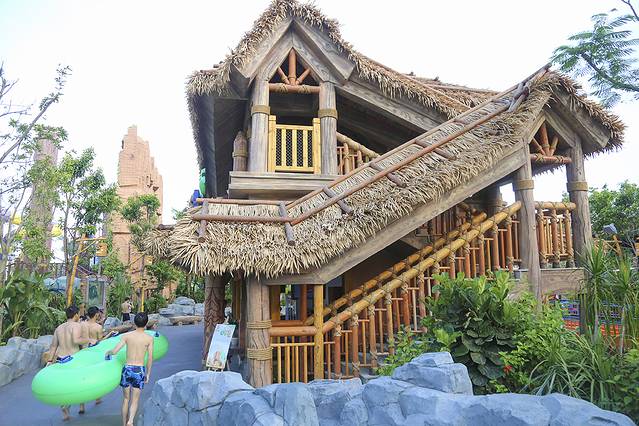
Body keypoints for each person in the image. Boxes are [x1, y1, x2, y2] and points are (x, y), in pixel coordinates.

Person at [48, 305, 95, 421]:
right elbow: (76, 340)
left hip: (61, 359)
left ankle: (65, 409)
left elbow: (53, 346)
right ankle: (81, 406)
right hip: (73, 359)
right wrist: (89, 339)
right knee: (80, 383)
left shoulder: (59, 328)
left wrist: (49, 360)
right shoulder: (76, 325)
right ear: (76, 315)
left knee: (64, 385)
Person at [106, 312, 154, 426]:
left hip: (127, 369)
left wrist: (108, 352)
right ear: (146, 323)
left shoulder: (127, 336)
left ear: (134, 323)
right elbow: (150, 357)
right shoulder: (149, 338)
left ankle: (124, 424)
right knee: (135, 400)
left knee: (126, 399)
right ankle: (130, 421)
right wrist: (148, 374)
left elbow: (115, 351)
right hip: (139, 370)